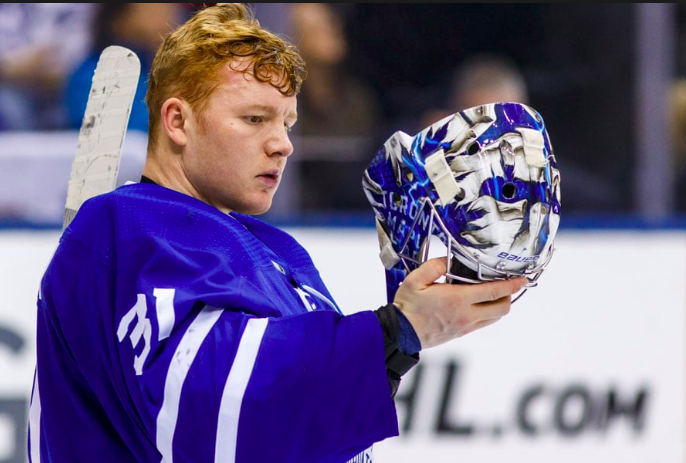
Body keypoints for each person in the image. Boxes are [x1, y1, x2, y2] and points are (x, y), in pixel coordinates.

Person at [29, 4, 526, 463]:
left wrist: (391, 343)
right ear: (177, 121)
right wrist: (392, 337)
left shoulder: (279, 250)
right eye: (254, 119)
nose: (282, 145)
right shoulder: (125, 227)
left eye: (287, 123)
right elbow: (201, 409)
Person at [65, 3, 184, 133]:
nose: (166, 17)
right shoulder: (93, 75)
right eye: (154, 9)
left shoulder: (174, 67)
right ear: (120, 20)